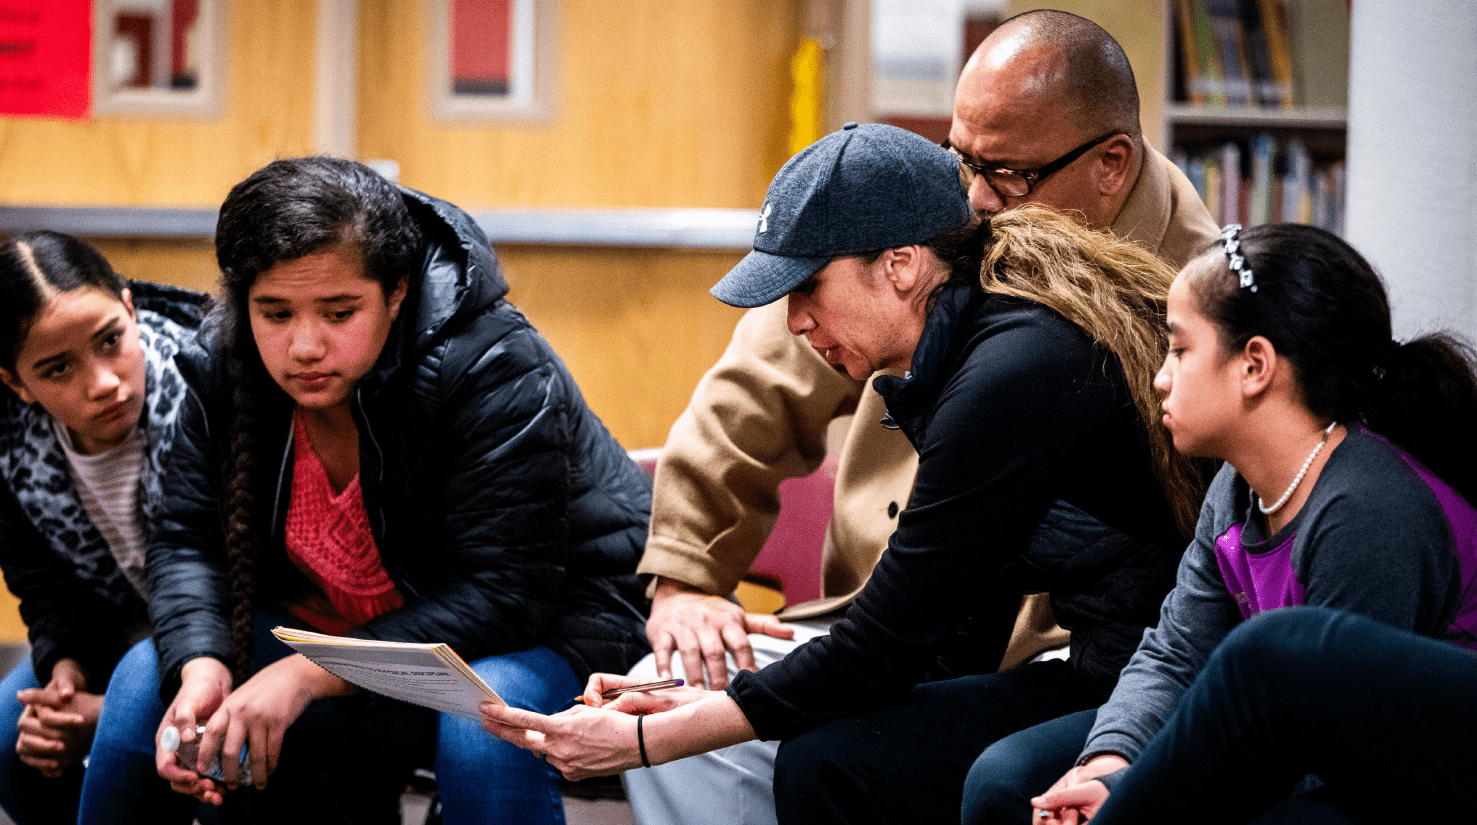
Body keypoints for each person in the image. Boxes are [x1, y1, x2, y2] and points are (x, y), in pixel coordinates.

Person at [482, 122, 1206, 824]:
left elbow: (885, 646)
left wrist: (649, 741)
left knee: (831, 760)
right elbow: (947, 630)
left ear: (899, 263)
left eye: (808, 287)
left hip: (1147, 683)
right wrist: (703, 701)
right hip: (1105, 666)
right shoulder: (972, 341)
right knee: (836, 745)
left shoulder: (1008, 369)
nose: (795, 320)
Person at [626, 10, 1219, 823]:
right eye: (960, 155)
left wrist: (662, 734)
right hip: (919, 605)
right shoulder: (923, 243)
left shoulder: (1182, 296)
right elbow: (753, 391)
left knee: (821, 752)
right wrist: (687, 573)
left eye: (1004, 171)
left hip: (1063, 642)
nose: (973, 195)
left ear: (1110, 164)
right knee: (690, 688)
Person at [79, 156, 653, 825]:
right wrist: (200, 665)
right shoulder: (223, 361)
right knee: (141, 684)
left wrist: (305, 674)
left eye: (339, 311)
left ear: (398, 292)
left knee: (489, 719)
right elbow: (188, 540)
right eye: (274, 312)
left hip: (545, 629)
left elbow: (505, 594)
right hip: (344, 631)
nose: (304, 345)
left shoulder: (492, 362)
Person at [991, 224, 1477, 825]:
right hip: (1283, 739)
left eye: (1179, 349)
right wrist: (1109, 761)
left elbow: (1328, 740)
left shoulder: (1368, 513)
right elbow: (1177, 650)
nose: (1160, 377)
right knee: (1007, 781)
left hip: (1406, 770)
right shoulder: (1238, 480)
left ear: (1254, 365)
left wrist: (1138, 795)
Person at [0, 231, 207, 825]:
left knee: (127, 709)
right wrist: (65, 677)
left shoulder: (207, 382)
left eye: (110, 341)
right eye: (57, 369)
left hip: (214, 627)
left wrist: (105, 713)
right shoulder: (2, 433)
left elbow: (233, 574)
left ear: (130, 308)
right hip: (114, 631)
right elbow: (41, 579)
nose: (101, 382)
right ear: (14, 383)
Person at [1079, 606, 1477, 824]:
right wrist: (1111, 758)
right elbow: (1175, 650)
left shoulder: (1361, 507)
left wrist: (1130, 784)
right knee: (1018, 775)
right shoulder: (1229, 499)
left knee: (1267, 654)